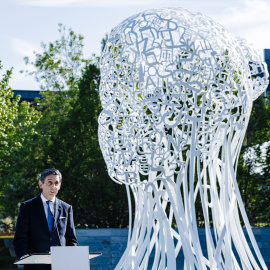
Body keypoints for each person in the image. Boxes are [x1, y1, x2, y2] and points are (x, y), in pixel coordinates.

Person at [13, 168, 78, 270]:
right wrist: (23, 255)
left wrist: (72, 258)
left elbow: (71, 239)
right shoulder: (27, 207)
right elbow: (20, 238)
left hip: (60, 264)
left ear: (59, 186)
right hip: (35, 265)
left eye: (56, 183)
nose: (53, 186)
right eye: (49, 182)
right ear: (40, 184)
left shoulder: (66, 208)